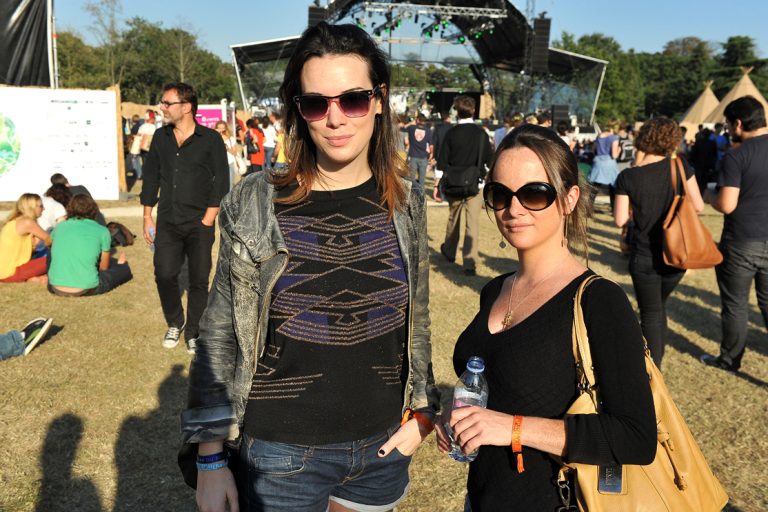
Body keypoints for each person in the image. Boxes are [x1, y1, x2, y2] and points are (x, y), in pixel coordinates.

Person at [182, 22, 438, 512]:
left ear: (379, 100)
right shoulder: (256, 201)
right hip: (281, 455)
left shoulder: (406, 201)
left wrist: (423, 413)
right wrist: (210, 460)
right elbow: (220, 333)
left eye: (353, 99)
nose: (335, 119)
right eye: (317, 103)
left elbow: (418, 317)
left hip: (382, 450)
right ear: (299, 111)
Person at [434, 124, 656, 511]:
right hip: (482, 498)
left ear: (569, 199)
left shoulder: (600, 301)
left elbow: (635, 437)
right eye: (500, 194)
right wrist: (457, 419)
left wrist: (512, 427)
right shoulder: (495, 289)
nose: (513, 209)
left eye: (534, 193)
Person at [140, 82, 229, 353]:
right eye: (163, 102)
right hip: (167, 220)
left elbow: (221, 181)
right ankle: (175, 322)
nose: (162, 107)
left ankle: (193, 331)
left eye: (168, 103)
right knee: (164, 274)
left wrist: (208, 218)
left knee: (198, 280)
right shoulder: (161, 137)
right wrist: (147, 215)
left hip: (199, 222)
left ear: (187, 107)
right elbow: (151, 177)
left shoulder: (211, 139)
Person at [614, 117, 704, 367]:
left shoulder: (629, 176)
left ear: (644, 138)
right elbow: (698, 205)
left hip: (645, 256)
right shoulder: (681, 167)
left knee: (651, 312)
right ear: (673, 141)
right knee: (657, 307)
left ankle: (654, 368)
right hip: (677, 254)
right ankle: (655, 362)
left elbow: (620, 220)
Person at [701, 96, 768, 372]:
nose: (727, 130)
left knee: (736, 304)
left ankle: (730, 359)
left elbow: (727, 204)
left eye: (728, 124)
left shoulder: (736, 155)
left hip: (741, 240)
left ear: (738, 123)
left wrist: (709, 196)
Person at [434, 95, 494, 276]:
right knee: (472, 223)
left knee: (453, 219)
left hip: (453, 182)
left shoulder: (451, 133)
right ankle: (469, 263)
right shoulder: (481, 134)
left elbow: (442, 161)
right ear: (473, 111)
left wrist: (437, 183)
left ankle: (449, 252)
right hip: (475, 184)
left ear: (457, 111)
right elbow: (489, 160)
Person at [47, 194, 133, 297]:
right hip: (87, 288)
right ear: (93, 210)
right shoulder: (102, 231)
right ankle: (121, 265)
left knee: (50, 250)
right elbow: (103, 268)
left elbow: (49, 245)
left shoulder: (60, 226)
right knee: (124, 269)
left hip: (55, 287)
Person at [0, 194, 50, 284]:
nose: (44, 209)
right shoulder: (27, 223)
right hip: (11, 273)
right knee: (56, 258)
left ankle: (35, 278)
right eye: (41, 206)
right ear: (31, 207)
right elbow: (50, 240)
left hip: (4, 272)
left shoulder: (13, 222)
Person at [589, 122, 621, 210]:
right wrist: (619, 149)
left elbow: (593, 150)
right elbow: (614, 155)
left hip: (598, 162)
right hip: (609, 163)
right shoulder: (614, 137)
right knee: (613, 186)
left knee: (595, 186)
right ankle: (614, 208)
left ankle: (589, 207)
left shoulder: (599, 136)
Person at [405, 113, 433, 188]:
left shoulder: (411, 128)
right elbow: (431, 145)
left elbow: (403, 127)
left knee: (411, 179)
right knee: (422, 180)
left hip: (413, 156)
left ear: (417, 120)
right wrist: (431, 154)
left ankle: (411, 193)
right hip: (423, 157)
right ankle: (421, 193)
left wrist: (412, 122)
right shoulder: (428, 130)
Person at [214, 120, 239, 189]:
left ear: (226, 128)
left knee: (230, 184)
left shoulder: (230, 138)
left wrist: (227, 148)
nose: (221, 130)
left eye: (223, 128)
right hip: (218, 164)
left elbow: (235, 152)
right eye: (219, 128)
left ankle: (229, 196)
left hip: (229, 163)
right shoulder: (214, 138)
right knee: (219, 184)